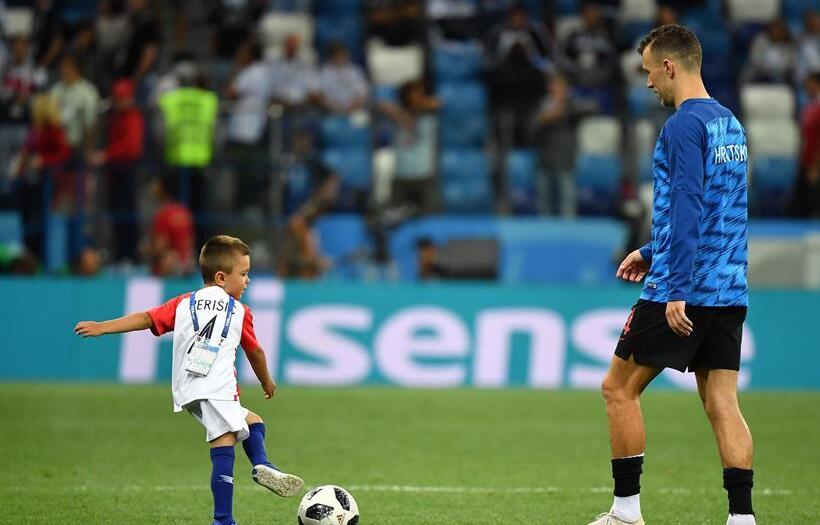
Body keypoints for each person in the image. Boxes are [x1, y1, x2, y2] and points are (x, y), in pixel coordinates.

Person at [587, 25, 755, 525]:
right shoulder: (729, 123)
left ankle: (625, 513)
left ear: (669, 66)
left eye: (648, 72)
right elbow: (718, 208)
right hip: (729, 286)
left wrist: (675, 285)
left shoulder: (683, 126)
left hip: (681, 288)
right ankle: (742, 518)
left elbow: (686, 206)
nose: (647, 83)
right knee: (721, 400)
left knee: (618, 388)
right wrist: (649, 250)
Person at [74, 235, 305, 525]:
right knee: (224, 441)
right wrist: (266, 380)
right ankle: (224, 519)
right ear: (221, 277)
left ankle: (262, 464)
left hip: (187, 388)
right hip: (217, 387)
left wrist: (103, 327)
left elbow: (146, 318)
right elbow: (255, 351)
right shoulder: (239, 311)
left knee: (253, 421)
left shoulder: (184, 302)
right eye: (244, 274)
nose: (248, 281)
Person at [89, 79, 145, 263]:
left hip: (127, 170)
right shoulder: (113, 117)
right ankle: (120, 253)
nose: (118, 102)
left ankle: (129, 255)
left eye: (121, 99)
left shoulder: (133, 117)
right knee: (116, 213)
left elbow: (131, 147)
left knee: (126, 213)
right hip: (114, 172)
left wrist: (106, 155)